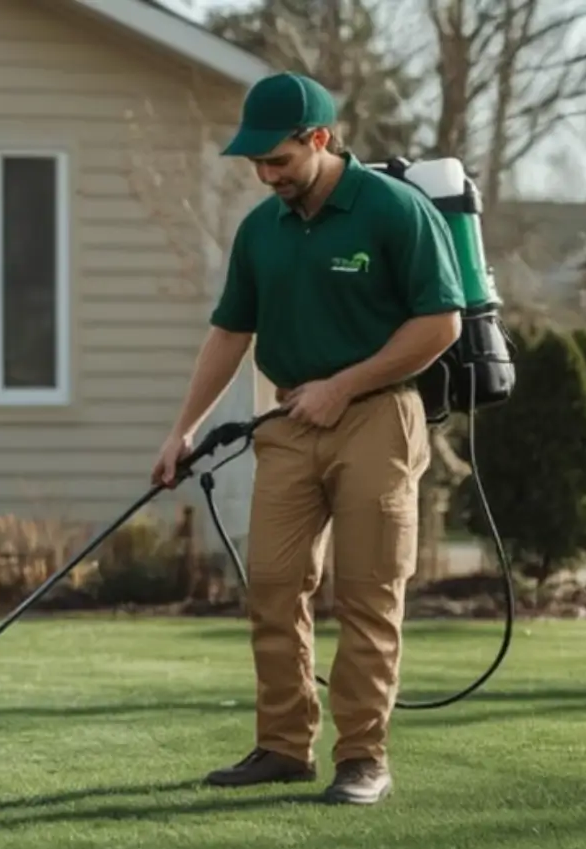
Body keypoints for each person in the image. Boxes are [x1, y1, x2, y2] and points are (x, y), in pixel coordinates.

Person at [150, 73, 465, 805]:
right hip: (291, 422)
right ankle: (284, 746)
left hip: (377, 418)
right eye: (256, 164)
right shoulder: (262, 230)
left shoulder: (394, 210)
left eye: (279, 160)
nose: (267, 176)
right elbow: (230, 333)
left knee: (367, 592)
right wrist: (182, 429)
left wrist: (344, 385)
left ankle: (362, 759)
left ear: (319, 139)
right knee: (272, 585)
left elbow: (441, 324)